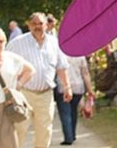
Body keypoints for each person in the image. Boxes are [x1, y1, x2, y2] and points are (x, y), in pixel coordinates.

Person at [7, 12, 73, 148]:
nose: (37, 27)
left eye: (40, 24)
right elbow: (7, 64)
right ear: (29, 26)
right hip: (24, 94)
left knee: (45, 131)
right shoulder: (18, 43)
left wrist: (67, 87)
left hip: (46, 95)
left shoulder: (54, 43)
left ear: (47, 25)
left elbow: (61, 67)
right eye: (34, 24)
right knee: (20, 129)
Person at [55, 47, 94, 145]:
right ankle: (72, 134)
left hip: (63, 87)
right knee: (73, 111)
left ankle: (68, 138)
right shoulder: (80, 55)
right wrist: (90, 89)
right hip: (78, 87)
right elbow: (85, 73)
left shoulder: (59, 55)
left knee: (65, 113)